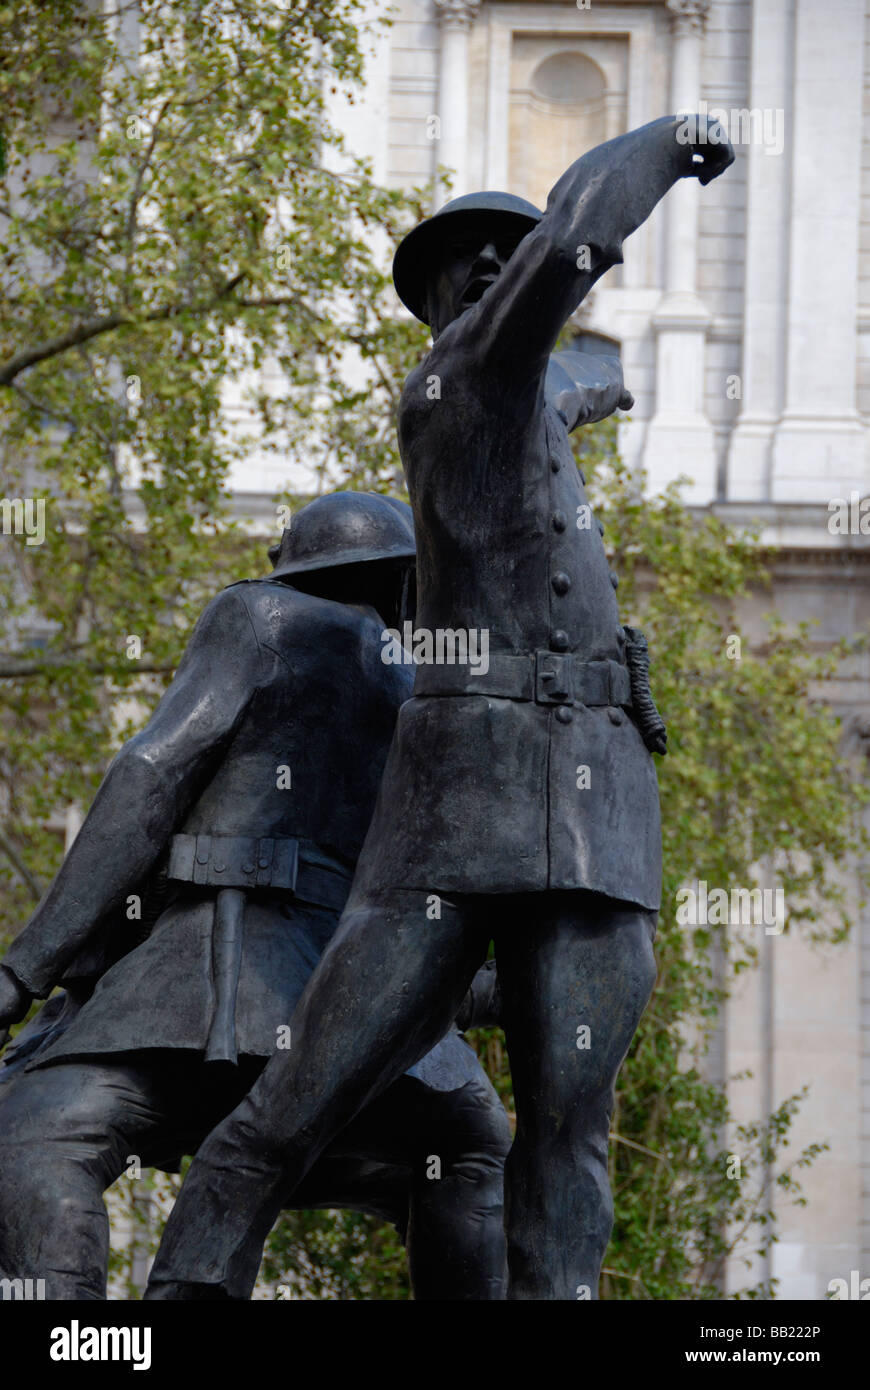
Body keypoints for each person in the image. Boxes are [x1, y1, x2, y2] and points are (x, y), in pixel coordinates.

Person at [145, 114, 735, 1302]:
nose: (487, 270)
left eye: (499, 256)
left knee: (571, 1135)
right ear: (434, 310)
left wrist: (600, 382)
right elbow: (573, 238)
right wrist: (670, 144)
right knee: (290, 1109)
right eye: (461, 264)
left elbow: (585, 376)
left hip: (596, 815)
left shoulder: (530, 407)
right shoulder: (459, 383)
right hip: (460, 814)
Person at [0, 492, 509, 1301]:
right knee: (471, 1148)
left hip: (212, 986)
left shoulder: (262, 616)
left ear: (300, 569)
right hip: (360, 1011)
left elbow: (151, 775)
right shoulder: (427, 690)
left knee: (31, 1140)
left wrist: (25, 968)